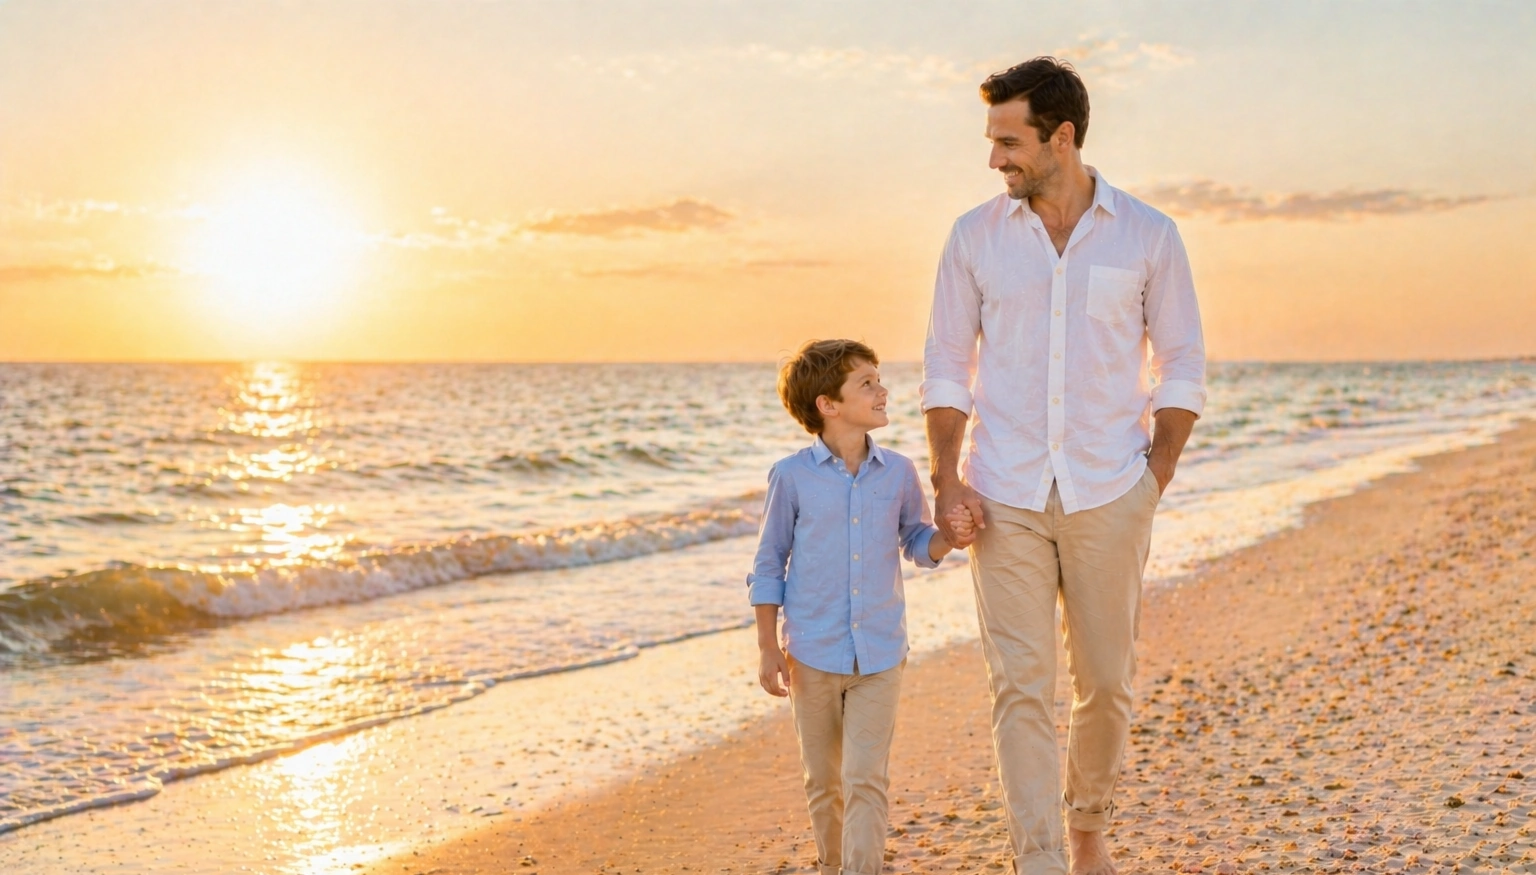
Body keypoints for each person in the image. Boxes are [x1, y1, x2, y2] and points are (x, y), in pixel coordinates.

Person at [921, 57, 1207, 875]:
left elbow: (1181, 361)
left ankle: (1087, 831)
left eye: (1009, 141)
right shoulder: (973, 237)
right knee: (1018, 687)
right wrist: (946, 478)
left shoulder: (1149, 234)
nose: (994, 159)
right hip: (1001, 493)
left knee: (1106, 685)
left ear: (1063, 137)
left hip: (1110, 489)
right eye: (991, 141)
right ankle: (1040, 858)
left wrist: (1156, 475)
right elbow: (946, 363)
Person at [749, 338, 974, 875]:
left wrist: (950, 537)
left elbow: (917, 543)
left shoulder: (897, 472)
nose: (883, 390)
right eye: (866, 383)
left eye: (879, 379)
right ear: (828, 405)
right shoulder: (792, 476)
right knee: (825, 783)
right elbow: (768, 564)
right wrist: (766, 649)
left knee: (866, 779)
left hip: (880, 653)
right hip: (812, 653)